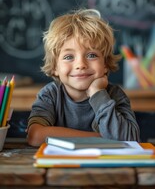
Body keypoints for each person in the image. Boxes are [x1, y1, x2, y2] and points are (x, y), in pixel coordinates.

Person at [27, 8, 140, 146]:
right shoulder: (50, 95)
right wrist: (102, 139)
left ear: (105, 64)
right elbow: (35, 136)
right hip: (60, 166)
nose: (80, 64)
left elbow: (129, 139)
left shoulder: (114, 95)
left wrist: (98, 94)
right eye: (69, 57)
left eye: (92, 55)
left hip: (105, 167)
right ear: (55, 67)